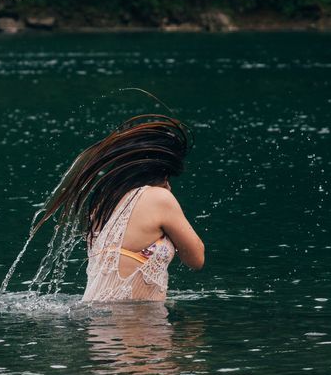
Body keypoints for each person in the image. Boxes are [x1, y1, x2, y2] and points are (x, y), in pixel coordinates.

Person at [37, 114, 205, 302]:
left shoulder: (105, 204)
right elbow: (196, 258)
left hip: (97, 326)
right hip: (137, 324)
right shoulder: (159, 198)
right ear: (163, 170)